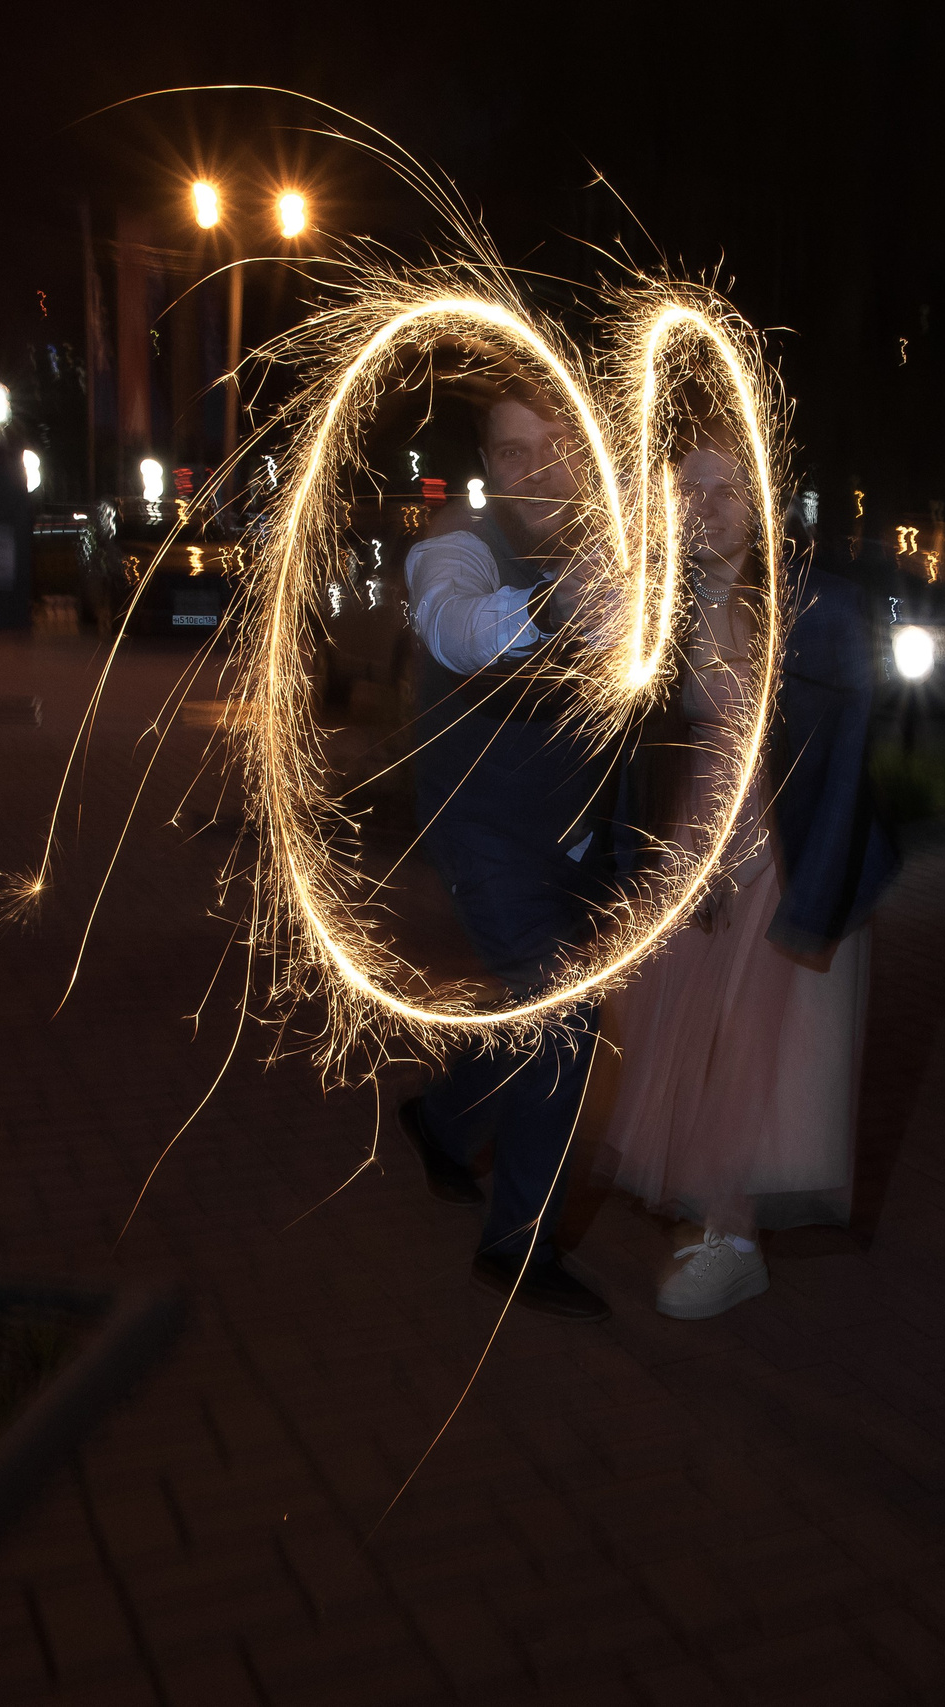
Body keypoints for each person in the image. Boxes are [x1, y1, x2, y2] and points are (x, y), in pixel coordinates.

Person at [598, 435, 896, 1319]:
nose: (709, 508)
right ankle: (721, 1221)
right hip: (698, 846)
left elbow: (841, 759)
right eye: (690, 490)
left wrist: (781, 877)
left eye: (731, 490)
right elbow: (645, 751)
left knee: (754, 1042)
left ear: (768, 503)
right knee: (695, 1042)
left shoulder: (813, 612)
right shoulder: (663, 608)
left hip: (781, 847)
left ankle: (735, 1240)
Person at [395, 378, 616, 1322]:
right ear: (489, 465)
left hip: (576, 831)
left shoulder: (609, 557)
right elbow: (457, 625)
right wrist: (551, 609)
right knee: (562, 1014)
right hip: (479, 828)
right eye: (514, 451)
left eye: (555, 447)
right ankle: (517, 1245)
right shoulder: (457, 549)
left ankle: (441, 1121)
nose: (538, 469)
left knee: (547, 1002)